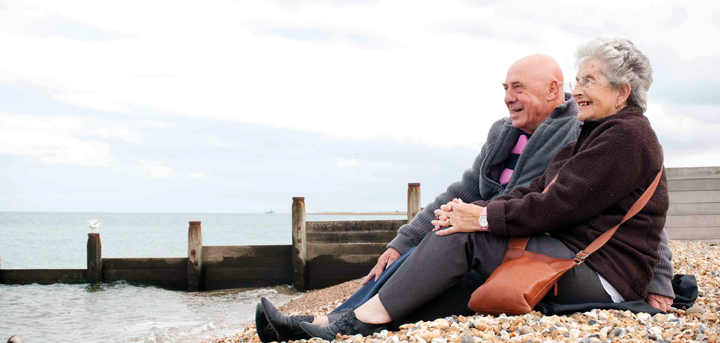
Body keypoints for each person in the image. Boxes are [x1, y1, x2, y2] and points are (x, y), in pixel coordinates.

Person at [257, 51, 674, 342]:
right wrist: (424, 229)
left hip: (596, 272)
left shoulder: (622, 136)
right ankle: (333, 323)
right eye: (578, 79)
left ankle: (350, 323)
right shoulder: (581, 133)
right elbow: (517, 189)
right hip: (557, 252)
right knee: (451, 268)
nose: (577, 88)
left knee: (461, 238)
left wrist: (481, 220)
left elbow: (617, 212)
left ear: (622, 92)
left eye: (588, 80)